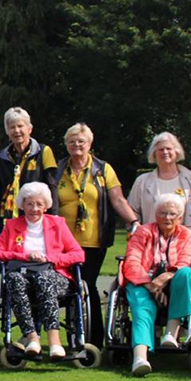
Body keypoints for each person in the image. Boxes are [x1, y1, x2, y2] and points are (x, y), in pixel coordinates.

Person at [56, 123, 139, 342]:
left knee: (87, 285)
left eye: (81, 141)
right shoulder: (58, 169)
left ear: (90, 144)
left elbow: (117, 199)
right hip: (62, 242)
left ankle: (94, 338)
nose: (76, 145)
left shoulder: (103, 169)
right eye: (72, 141)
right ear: (66, 144)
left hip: (93, 240)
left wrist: (133, 221)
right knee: (69, 287)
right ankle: (74, 335)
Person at [0, 181, 85, 360]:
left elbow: (78, 254)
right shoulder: (11, 225)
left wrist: (50, 258)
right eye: (30, 204)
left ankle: (55, 342)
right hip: (24, 275)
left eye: (39, 204)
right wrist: (24, 256)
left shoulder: (58, 224)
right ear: (22, 205)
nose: (34, 209)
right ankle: (32, 338)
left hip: (53, 275)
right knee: (14, 280)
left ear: (46, 206)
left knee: (44, 278)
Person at [120, 194, 191, 377]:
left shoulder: (186, 235)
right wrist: (150, 285)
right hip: (143, 281)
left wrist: (165, 277)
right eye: (163, 213)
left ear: (180, 217)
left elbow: (188, 259)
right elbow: (132, 261)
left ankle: (171, 333)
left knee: (187, 273)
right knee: (142, 306)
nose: (167, 217)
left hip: (175, 282)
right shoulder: (143, 232)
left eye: (172, 214)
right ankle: (140, 358)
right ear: (156, 215)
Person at [126, 132, 191, 252]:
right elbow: (132, 210)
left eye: (168, 149)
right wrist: (136, 227)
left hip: (184, 246)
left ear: (176, 152)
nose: (165, 152)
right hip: (150, 246)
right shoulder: (142, 181)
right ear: (154, 154)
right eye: (160, 149)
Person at [0, 107, 58, 220]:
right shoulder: (1, 157)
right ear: (7, 132)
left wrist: (53, 217)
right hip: (9, 217)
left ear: (29, 129)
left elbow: (52, 186)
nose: (16, 130)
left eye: (20, 126)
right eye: (12, 127)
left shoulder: (43, 151)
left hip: (37, 215)